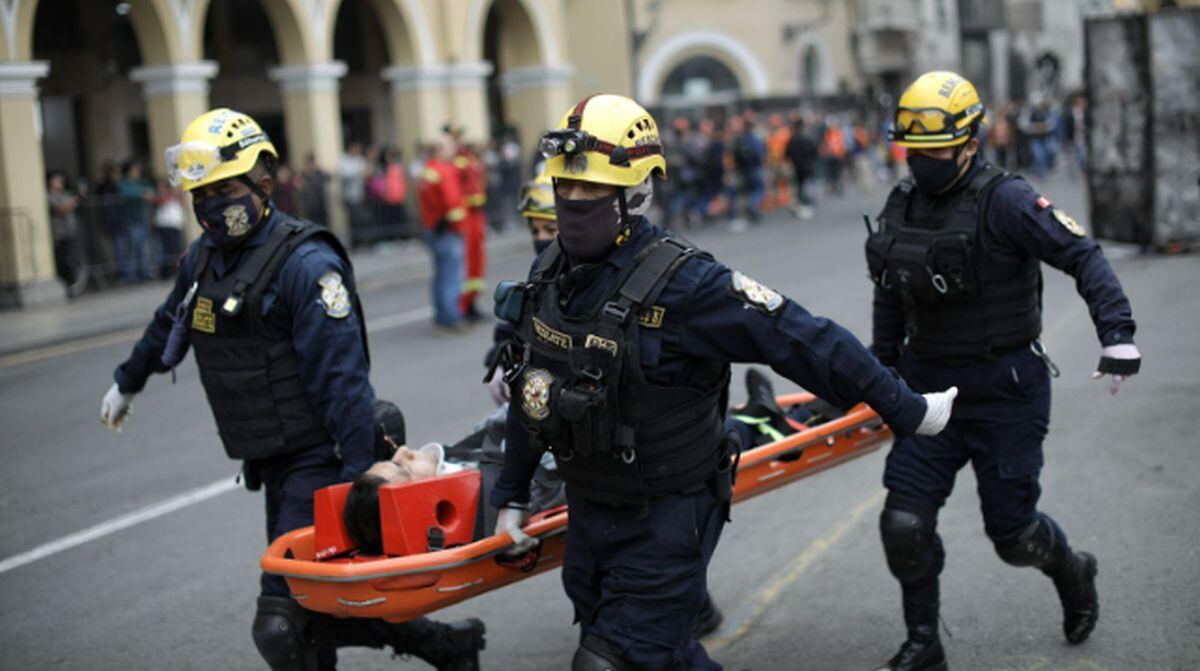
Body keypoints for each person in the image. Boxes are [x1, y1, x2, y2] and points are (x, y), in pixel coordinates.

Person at [489, 94, 958, 671]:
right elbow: (531, 390)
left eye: (592, 194)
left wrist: (905, 407)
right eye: (566, 191)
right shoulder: (549, 274)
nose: (573, 206)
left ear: (637, 194)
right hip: (591, 509)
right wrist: (511, 492)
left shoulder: (688, 285)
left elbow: (806, 339)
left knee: (609, 660)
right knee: (659, 654)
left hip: (667, 513)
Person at [96, 108, 483, 671]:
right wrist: (126, 383)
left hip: (320, 457)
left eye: (223, 189)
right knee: (316, 602)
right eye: (199, 192)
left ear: (264, 182)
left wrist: (356, 482)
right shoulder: (205, 258)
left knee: (282, 618)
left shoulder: (306, 263)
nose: (209, 204)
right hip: (272, 458)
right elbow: (167, 323)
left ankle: (446, 646)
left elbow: (344, 382)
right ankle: (449, 646)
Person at [866, 71, 1141, 671]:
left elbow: (1081, 254)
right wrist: (880, 375)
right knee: (903, 524)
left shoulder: (1007, 200)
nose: (923, 162)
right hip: (926, 393)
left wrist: (1116, 334)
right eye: (914, 150)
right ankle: (924, 644)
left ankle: (1072, 570)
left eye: (936, 151)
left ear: (970, 143)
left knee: (1014, 538)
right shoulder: (901, 204)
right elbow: (891, 292)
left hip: (1005, 392)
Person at [417, 135, 468, 331]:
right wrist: (459, 227)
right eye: (450, 146)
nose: (453, 149)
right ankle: (452, 318)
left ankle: (441, 315)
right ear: (440, 150)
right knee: (452, 275)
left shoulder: (427, 170)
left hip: (434, 228)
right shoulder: (442, 171)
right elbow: (452, 203)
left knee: (440, 274)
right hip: (448, 229)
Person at [47, 170, 89, 296]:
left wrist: (79, 198)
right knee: (64, 261)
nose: (60, 182)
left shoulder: (65, 194)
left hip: (71, 232)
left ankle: (75, 287)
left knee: (74, 260)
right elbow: (61, 209)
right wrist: (76, 198)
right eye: (57, 180)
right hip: (60, 234)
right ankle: (67, 287)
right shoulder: (49, 195)